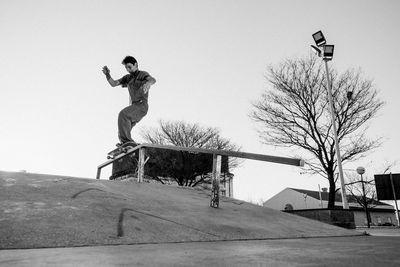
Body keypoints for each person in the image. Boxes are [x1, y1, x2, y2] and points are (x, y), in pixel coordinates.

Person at [102, 56, 156, 146]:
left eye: (130, 67)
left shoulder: (142, 74)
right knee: (124, 126)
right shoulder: (128, 78)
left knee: (123, 115)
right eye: (126, 68)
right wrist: (107, 75)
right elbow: (114, 83)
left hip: (141, 106)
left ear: (136, 64)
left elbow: (152, 79)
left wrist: (148, 83)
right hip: (133, 107)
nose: (128, 70)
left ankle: (127, 142)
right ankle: (127, 145)